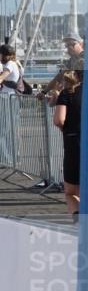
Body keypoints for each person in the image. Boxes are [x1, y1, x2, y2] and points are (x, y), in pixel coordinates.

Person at [52, 69, 82, 222]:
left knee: (71, 191)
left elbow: (59, 120)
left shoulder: (67, 93)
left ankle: (78, 218)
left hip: (75, 142)